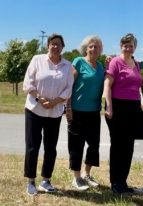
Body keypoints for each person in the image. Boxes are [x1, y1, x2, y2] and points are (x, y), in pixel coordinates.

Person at [23, 33, 74, 196]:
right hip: (34, 109)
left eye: (58, 44)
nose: (55, 46)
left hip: (55, 111)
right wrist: (40, 98)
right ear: (48, 46)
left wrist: (55, 101)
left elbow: (68, 88)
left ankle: (46, 180)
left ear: (62, 47)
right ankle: (31, 181)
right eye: (52, 43)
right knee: (32, 147)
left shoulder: (67, 65)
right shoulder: (37, 60)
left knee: (50, 148)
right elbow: (28, 83)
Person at [103, 33, 143, 195]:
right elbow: (107, 84)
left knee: (128, 147)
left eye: (130, 45)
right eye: (125, 45)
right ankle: (115, 183)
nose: (127, 47)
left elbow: (136, 84)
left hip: (133, 108)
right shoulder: (115, 61)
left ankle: (123, 182)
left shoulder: (136, 63)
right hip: (117, 107)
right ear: (121, 46)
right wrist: (109, 106)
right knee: (118, 146)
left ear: (134, 47)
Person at [66, 35, 104, 191]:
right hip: (77, 111)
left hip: (94, 111)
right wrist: (68, 107)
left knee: (94, 145)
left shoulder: (101, 66)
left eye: (96, 46)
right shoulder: (78, 62)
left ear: (100, 49)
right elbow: (69, 85)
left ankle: (87, 174)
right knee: (76, 145)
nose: (93, 49)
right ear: (86, 48)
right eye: (91, 46)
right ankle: (77, 178)